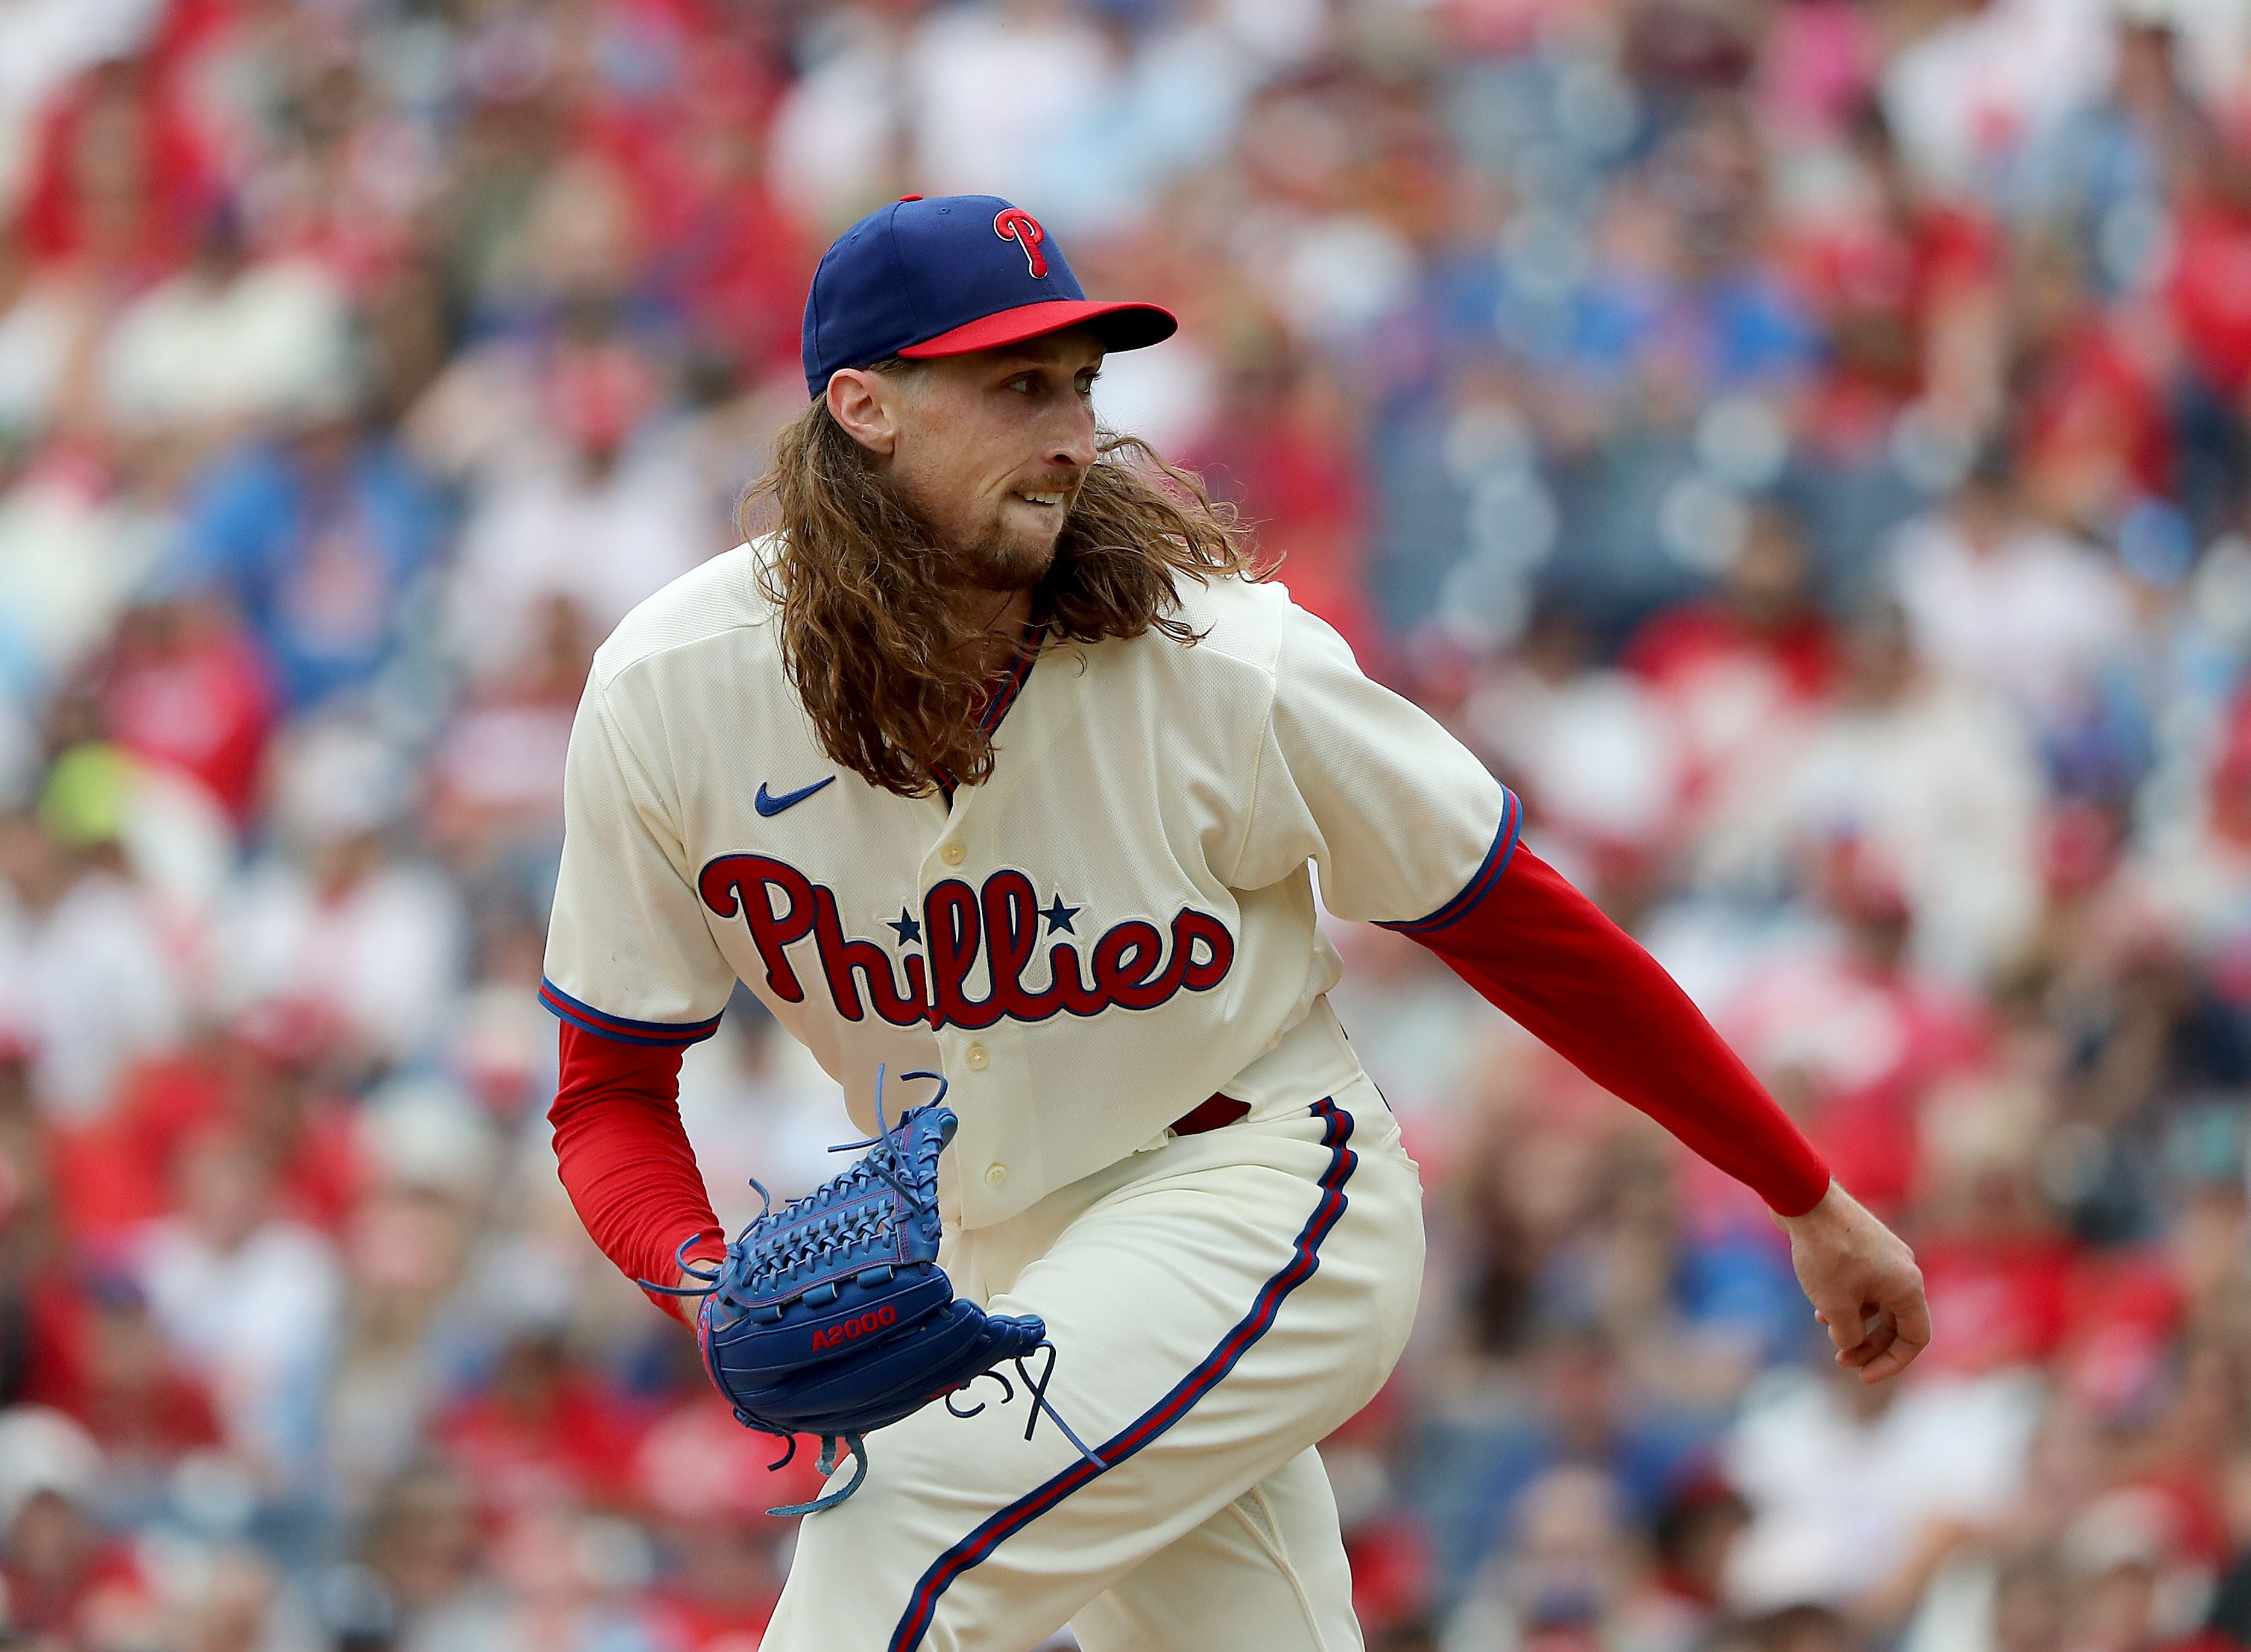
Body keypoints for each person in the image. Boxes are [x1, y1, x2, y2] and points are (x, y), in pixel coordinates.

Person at [540, 194, 1930, 1652]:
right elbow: (607, 1094)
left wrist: (1802, 1194)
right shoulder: (674, 689)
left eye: (1081, 384)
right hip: (990, 1263)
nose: (1071, 431)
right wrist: (707, 1291)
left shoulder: (1220, 658)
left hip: (1258, 1182)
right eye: (1019, 386)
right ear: (863, 406)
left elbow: (1518, 925)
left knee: (900, 1526)